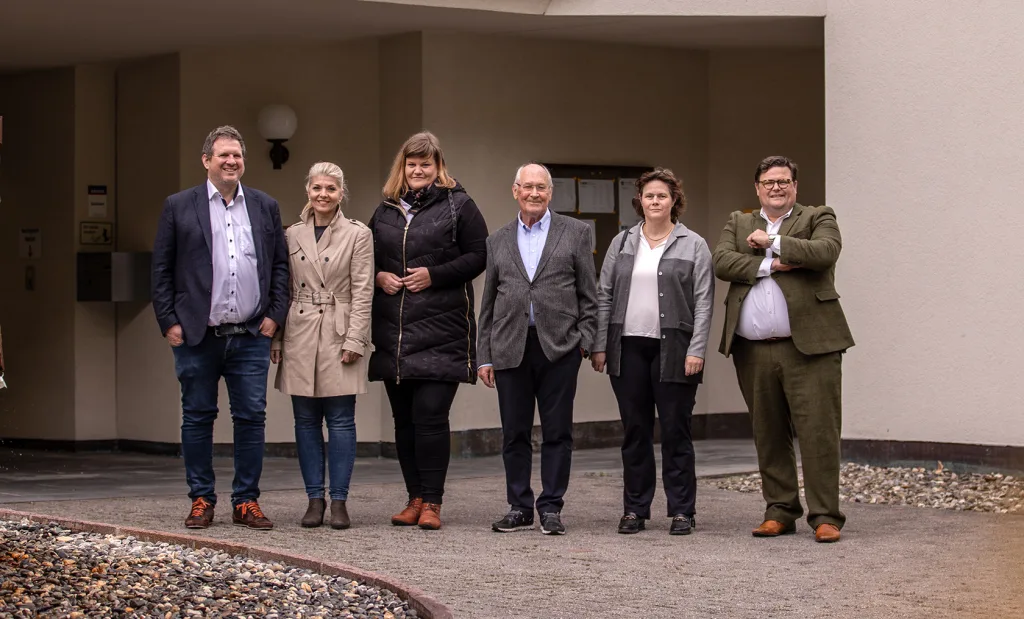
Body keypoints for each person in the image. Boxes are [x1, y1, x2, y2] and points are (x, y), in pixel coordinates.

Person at [151, 125, 289, 531]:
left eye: (237, 156)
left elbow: (279, 266)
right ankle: (201, 499)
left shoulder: (265, 206)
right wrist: (168, 322)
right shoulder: (179, 206)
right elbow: (160, 269)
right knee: (197, 417)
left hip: (249, 335)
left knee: (251, 418)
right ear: (206, 160)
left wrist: (274, 316)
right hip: (196, 335)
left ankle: (246, 501)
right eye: (223, 155)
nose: (231, 161)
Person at [712, 155, 855, 543]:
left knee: (818, 433)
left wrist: (772, 242)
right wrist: (772, 265)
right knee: (768, 432)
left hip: (811, 349)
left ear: (795, 186)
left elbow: (824, 252)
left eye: (784, 181)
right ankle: (780, 510)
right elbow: (722, 262)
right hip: (754, 350)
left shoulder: (817, 217)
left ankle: (825, 515)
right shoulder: (738, 221)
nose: (777, 187)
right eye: (769, 182)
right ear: (757, 188)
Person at [368, 131, 488, 530]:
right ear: (402, 167)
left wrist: (433, 275)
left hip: (443, 330)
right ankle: (414, 497)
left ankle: (433, 503)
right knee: (404, 421)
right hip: (395, 333)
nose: (418, 170)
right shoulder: (385, 210)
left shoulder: (459, 205)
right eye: (412, 163)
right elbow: (362, 258)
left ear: (439, 167)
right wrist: (378, 276)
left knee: (430, 416)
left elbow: (478, 255)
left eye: (426, 163)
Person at [591, 168, 714, 536]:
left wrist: (697, 350)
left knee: (676, 429)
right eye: (649, 196)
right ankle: (635, 509)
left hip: (676, 349)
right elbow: (604, 295)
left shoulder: (694, 244)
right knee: (635, 430)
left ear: (674, 200)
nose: (655, 201)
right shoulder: (622, 242)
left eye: (662, 195)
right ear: (640, 201)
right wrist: (600, 345)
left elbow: (704, 302)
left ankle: (682, 511)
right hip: (627, 347)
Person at [478, 162, 598, 536]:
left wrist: (584, 344)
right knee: (514, 432)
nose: (534, 193)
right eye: (527, 187)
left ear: (550, 192)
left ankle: (550, 507)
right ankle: (519, 506)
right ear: (515, 191)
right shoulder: (497, 240)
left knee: (557, 432)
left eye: (541, 187)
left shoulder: (576, 232)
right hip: (510, 346)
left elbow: (589, 297)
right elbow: (488, 303)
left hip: (560, 348)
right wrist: (484, 354)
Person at [270, 162, 373, 530]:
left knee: (342, 419)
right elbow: (281, 289)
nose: (323, 195)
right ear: (308, 191)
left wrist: (356, 338)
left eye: (331, 188)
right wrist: (279, 337)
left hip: (339, 329)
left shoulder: (358, 234)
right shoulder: (291, 234)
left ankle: (340, 501)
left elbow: (363, 291)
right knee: (305, 420)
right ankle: (315, 499)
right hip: (299, 330)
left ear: (341, 193)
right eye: (317, 188)